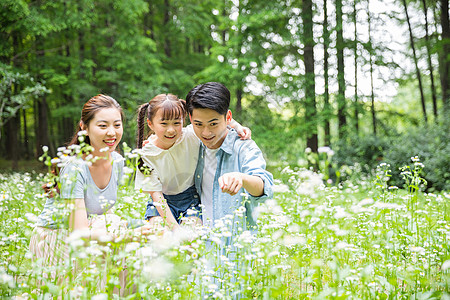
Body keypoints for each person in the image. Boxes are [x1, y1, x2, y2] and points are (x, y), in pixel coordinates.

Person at [29, 94, 154, 289]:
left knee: (133, 254)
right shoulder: (75, 167)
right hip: (60, 239)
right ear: (84, 127)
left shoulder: (118, 162)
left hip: (94, 235)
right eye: (103, 126)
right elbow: (78, 234)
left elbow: (102, 210)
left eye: (117, 125)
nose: (112, 132)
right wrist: (124, 236)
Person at [135, 94, 250, 230]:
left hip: (190, 199)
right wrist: (174, 229)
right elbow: (156, 196)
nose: (171, 130)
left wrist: (237, 127)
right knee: (158, 233)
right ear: (150, 124)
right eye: (164, 123)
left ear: (184, 120)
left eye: (177, 123)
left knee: (190, 237)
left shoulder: (190, 136)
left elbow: (212, 117)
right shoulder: (146, 153)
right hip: (161, 202)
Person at [185, 82, 274, 230]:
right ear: (190, 118)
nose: (206, 133)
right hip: (201, 243)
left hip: (234, 246)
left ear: (228, 117)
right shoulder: (190, 141)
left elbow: (265, 187)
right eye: (198, 124)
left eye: (213, 124)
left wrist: (242, 178)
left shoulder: (244, 147)